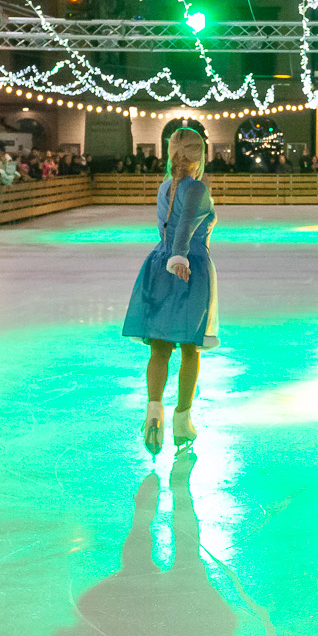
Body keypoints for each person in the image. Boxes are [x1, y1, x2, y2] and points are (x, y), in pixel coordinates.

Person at [122, 128, 217, 455]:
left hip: (157, 266)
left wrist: (170, 255)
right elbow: (186, 224)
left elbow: (173, 224)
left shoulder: (165, 187)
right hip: (187, 269)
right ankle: (182, 419)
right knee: (191, 348)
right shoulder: (197, 188)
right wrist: (179, 257)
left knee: (159, 348)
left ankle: (153, 411)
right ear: (199, 155)